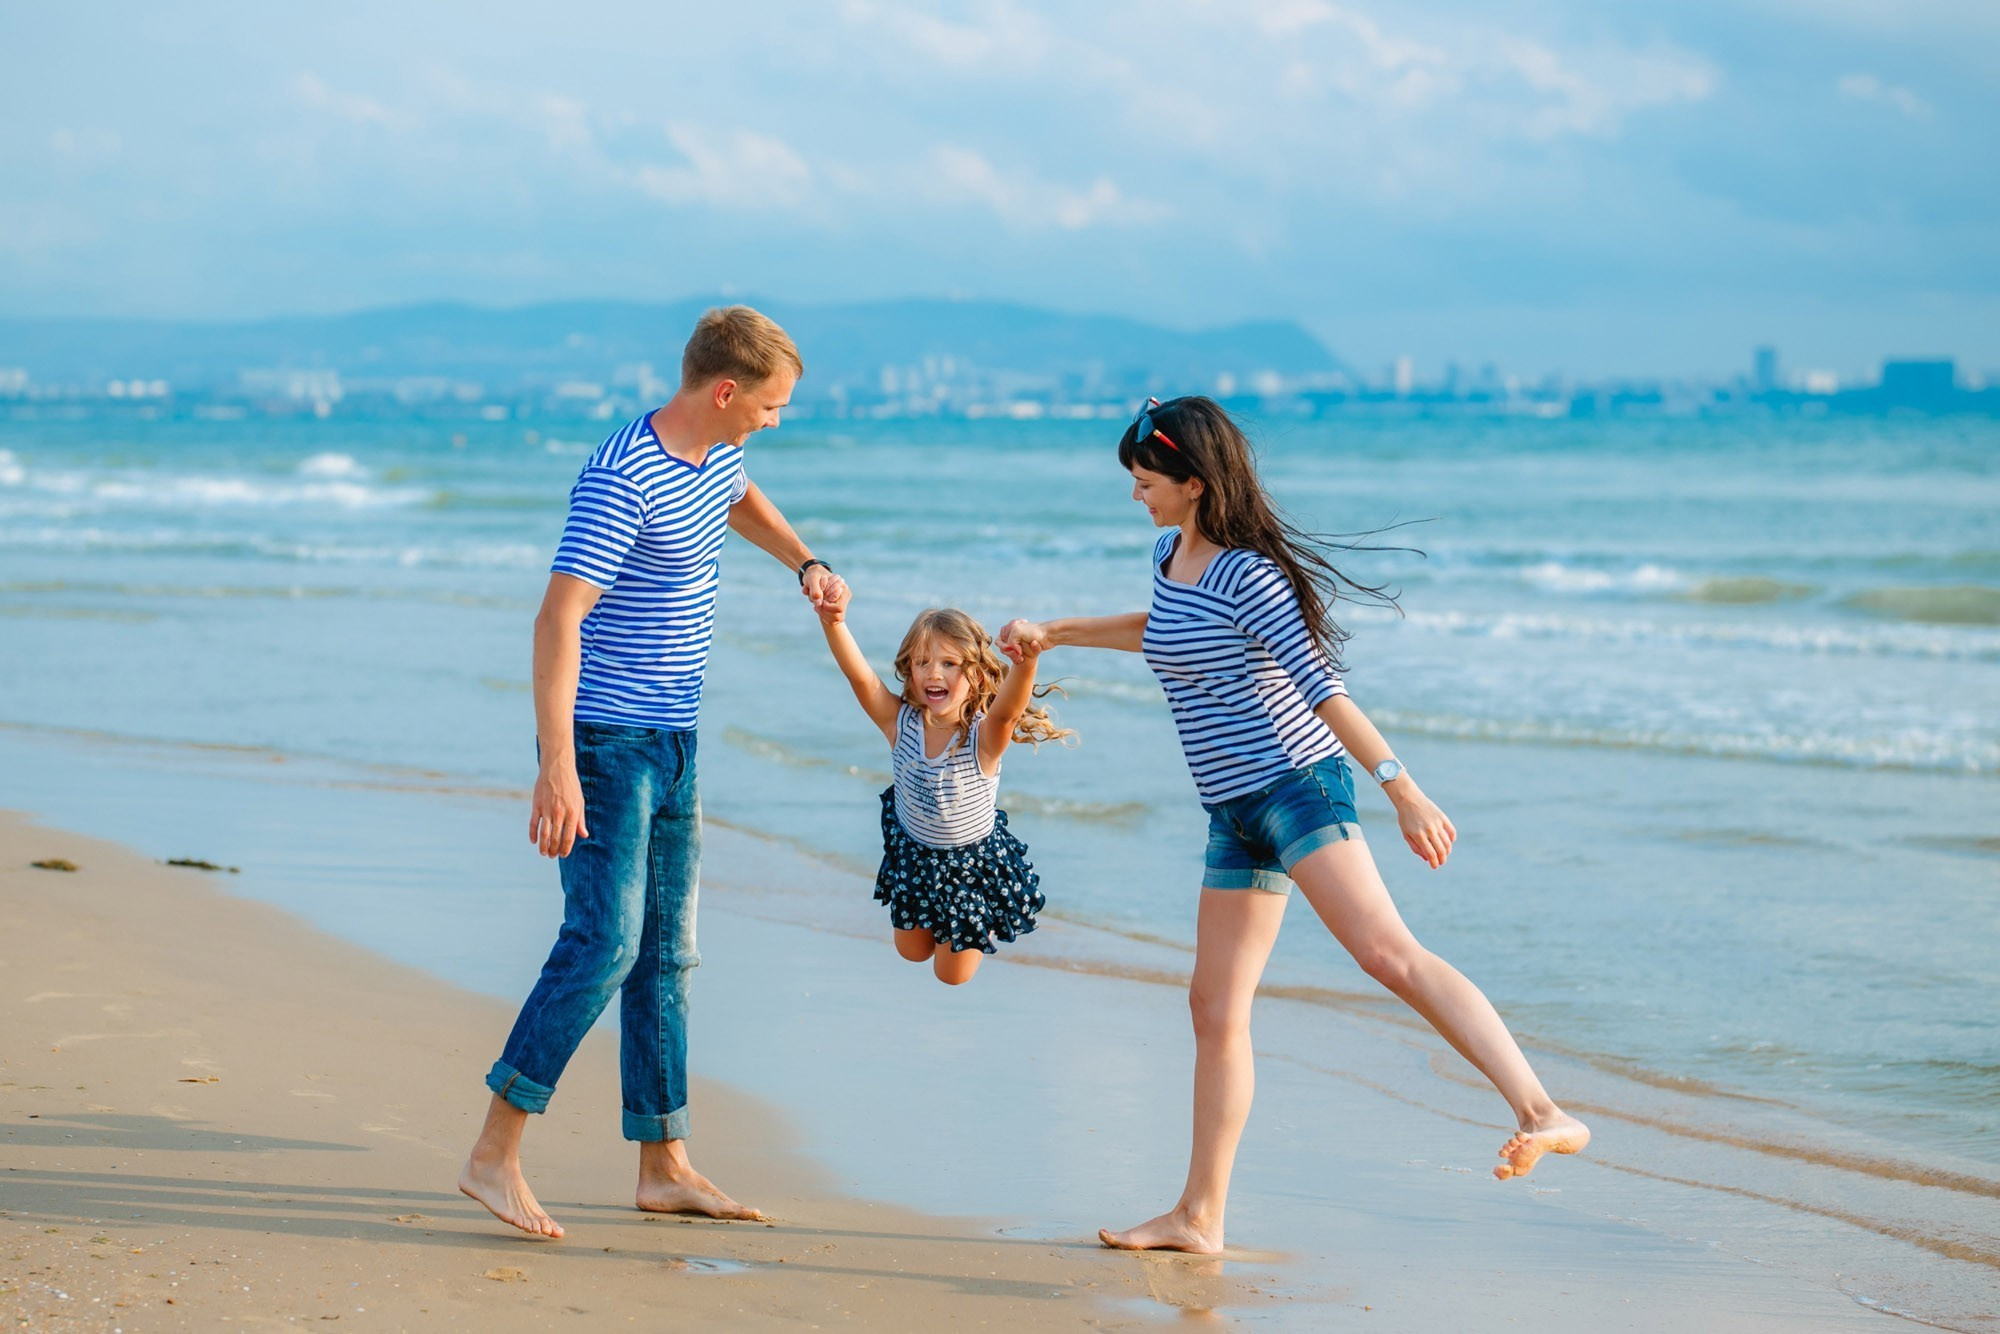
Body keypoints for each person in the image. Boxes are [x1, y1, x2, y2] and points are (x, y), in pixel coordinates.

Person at [999, 395, 1589, 1255]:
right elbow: (1165, 630)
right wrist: (1055, 632)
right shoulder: (1170, 554)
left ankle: (1544, 1111)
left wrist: (1401, 787)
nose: (1136, 494)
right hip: (1232, 812)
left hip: (1298, 789)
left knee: (1388, 953)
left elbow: (1324, 690)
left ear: (1195, 484)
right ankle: (1200, 1217)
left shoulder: (1253, 576)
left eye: (1146, 480)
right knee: (1213, 1007)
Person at [459, 306, 845, 1239]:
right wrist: (558, 767)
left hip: (676, 742)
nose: (774, 419)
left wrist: (805, 560)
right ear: (724, 391)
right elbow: (559, 623)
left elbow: (739, 493)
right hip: (606, 745)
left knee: (665, 955)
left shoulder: (712, 456)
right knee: (602, 945)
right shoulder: (621, 477)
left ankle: (664, 1165)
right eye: (770, 404)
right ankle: (492, 1155)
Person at [815, 587, 1071, 985]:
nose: (934, 673)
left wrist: (1026, 664)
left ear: (977, 674)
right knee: (910, 951)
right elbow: (860, 677)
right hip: (915, 853)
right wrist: (834, 622)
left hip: (968, 868)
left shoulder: (982, 739)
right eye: (922, 663)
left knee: (952, 976)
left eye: (949, 663)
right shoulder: (899, 724)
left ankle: (977, 918)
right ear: (910, 673)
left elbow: (1007, 714)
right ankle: (940, 926)